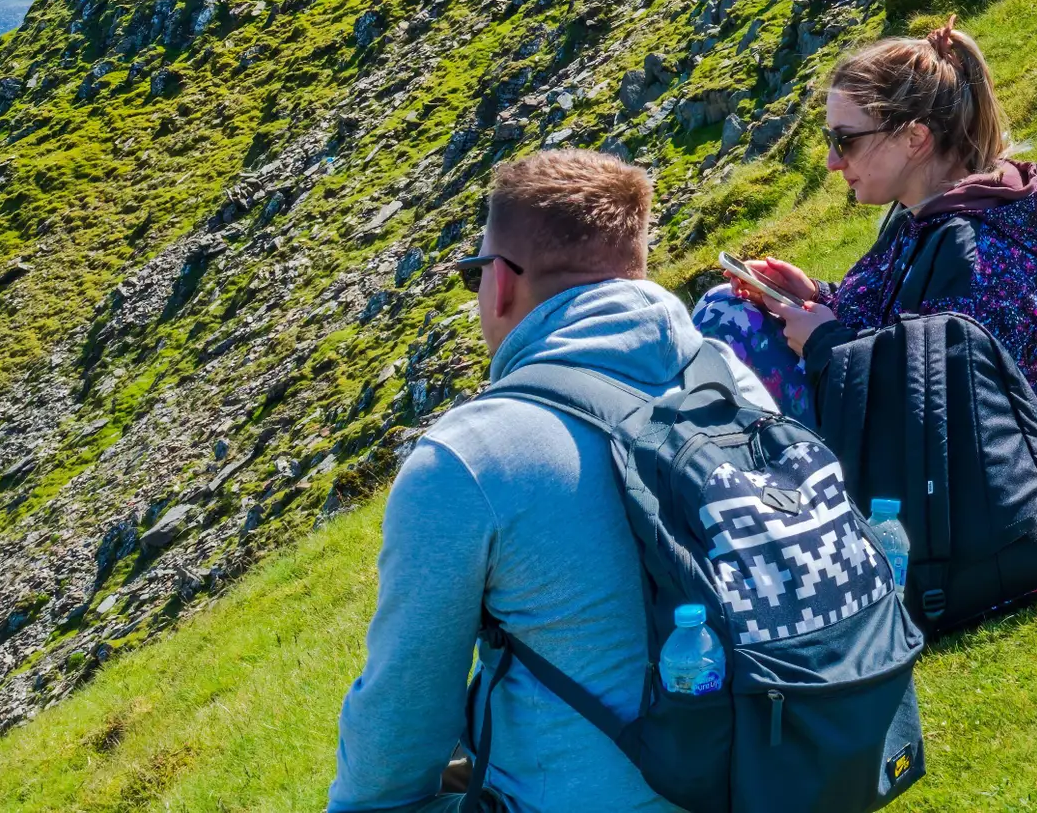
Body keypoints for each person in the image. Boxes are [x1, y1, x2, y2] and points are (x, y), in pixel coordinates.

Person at [331, 151, 777, 813]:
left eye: (473, 273)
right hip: (771, 778)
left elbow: (398, 732)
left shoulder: (472, 455)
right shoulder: (732, 383)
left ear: (502, 283)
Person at [695, 23, 1037, 463]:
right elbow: (901, 330)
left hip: (954, 503)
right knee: (729, 310)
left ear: (915, 138)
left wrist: (824, 339)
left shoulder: (978, 255)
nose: (831, 162)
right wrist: (814, 297)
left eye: (845, 140)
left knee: (727, 322)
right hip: (915, 466)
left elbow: (942, 419)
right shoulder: (926, 217)